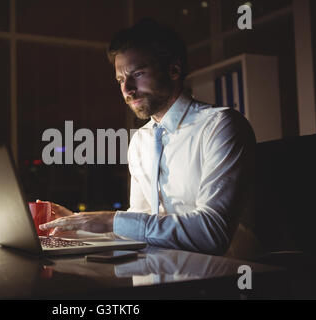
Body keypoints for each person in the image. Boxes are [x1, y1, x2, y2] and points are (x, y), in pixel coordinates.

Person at [39, 19, 256, 256]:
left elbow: (212, 233)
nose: (127, 90)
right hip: (159, 271)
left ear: (174, 70)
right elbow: (140, 223)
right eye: (121, 80)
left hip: (221, 274)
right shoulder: (141, 140)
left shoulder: (220, 126)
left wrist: (111, 221)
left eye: (138, 74)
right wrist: (76, 224)